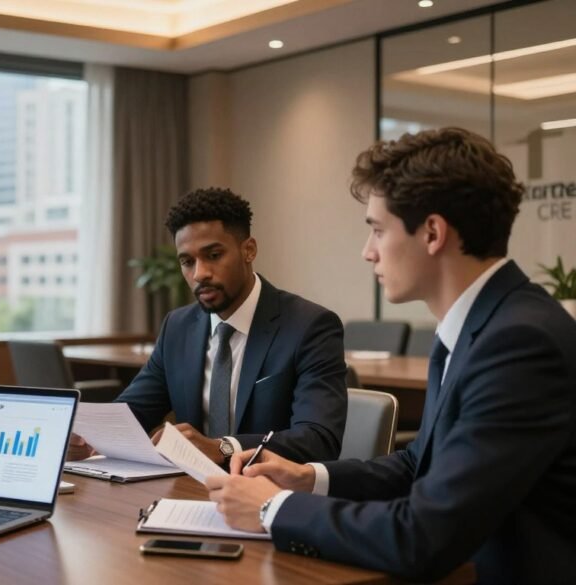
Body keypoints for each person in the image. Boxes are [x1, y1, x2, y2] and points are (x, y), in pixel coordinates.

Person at [206, 127, 576, 583]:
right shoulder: (484, 324)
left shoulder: (520, 343)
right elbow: (420, 463)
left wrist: (269, 507)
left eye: (378, 230)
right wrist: (309, 479)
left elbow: (424, 536)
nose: (368, 252)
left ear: (434, 233)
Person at [72, 188, 347, 465]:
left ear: (248, 250)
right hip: (190, 491)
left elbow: (318, 439)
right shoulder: (177, 327)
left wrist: (224, 447)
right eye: (187, 262)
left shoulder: (309, 326)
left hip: (271, 494)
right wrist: (85, 436)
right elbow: (132, 413)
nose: (199, 274)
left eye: (213, 255)